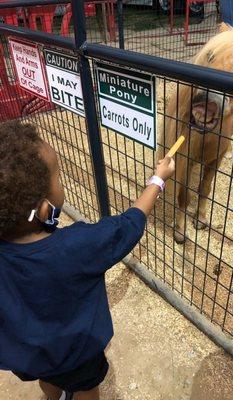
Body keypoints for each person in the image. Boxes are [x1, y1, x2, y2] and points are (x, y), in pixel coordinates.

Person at [0, 121, 175, 400]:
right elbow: (128, 225)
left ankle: (53, 396)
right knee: (85, 388)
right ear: (45, 207)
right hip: (76, 355)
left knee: (47, 379)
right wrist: (158, 179)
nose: (60, 184)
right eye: (57, 179)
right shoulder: (78, 246)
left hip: (30, 355)